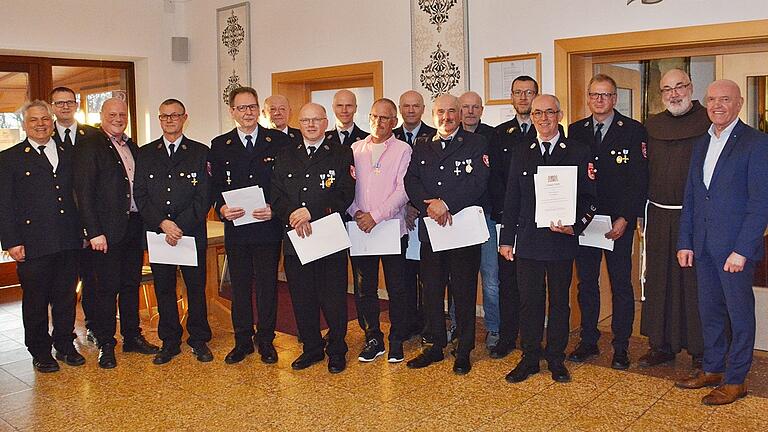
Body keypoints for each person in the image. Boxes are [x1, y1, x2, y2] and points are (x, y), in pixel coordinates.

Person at [675, 79, 768, 405]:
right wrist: (685, 241)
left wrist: (742, 250)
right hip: (702, 247)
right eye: (712, 99)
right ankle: (713, 369)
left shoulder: (757, 143)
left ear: (739, 103)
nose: (717, 105)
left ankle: (736, 379)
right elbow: (693, 197)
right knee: (710, 312)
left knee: (739, 315)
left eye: (725, 99)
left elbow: (761, 204)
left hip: (734, 251)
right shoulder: (701, 143)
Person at [500, 94, 596, 384]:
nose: (543, 118)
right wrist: (506, 239)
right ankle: (529, 357)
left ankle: (556, 358)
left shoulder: (578, 151)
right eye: (537, 113)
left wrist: (575, 226)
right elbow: (512, 198)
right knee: (529, 302)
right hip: (528, 241)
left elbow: (591, 198)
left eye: (549, 112)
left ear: (560, 115)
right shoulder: (521, 151)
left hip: (560, 241)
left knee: (559, 303)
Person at [404, 94, 490, 375]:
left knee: (463, 292)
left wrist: (447, 203)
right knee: (431, 290)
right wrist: (429, 205)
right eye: (441, 112)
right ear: (433, 114)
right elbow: (411, 180)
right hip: (433, 231)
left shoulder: (476, 143)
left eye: (452, 111)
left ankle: (464, 349)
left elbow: (479, 181)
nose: (447, 117)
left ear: (460, 114)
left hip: (462, 231)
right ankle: (435, 345)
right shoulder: (422, 145)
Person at [566, 74, 648, 370]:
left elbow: (639, 180)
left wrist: (626, 217)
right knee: (586, 283)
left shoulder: (633, 130)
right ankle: (588, 339)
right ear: (588, 98)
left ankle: (621, 346)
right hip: (585, 222)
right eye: (594, 95)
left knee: (620, 285)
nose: (599, 100)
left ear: (615, 99)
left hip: (617, 223)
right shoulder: (575, 130)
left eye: (605, 95)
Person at [74, 98, 160, 368]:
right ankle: (106, 342)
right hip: (106, 233)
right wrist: (94, 231)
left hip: (133, 227)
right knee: (106, 289)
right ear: (102, 116)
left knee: (130, 285)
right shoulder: (91, 145)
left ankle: (132, 336)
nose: (118, 118)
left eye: (122, 114)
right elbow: (83, 192)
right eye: (112, 114)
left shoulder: (131, 145)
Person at [271, 102, 355, 374]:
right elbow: (276, 195)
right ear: (299, 122)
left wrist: (312, 211)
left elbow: (345, 193)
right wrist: (293, 213)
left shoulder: (342, 154)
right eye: (305, 120)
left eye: (316, 120)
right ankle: (311, 347)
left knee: (333, 297)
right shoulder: (285, 155)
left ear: (325, 122)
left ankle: (337, 349)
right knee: (302, 296)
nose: (310, 125)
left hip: (328, 235)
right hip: (297, 236)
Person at [0, 100, 84, 372]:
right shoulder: (9, 158)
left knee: (65, 296)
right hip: (33, 241)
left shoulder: (68, 152)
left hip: (68, 239)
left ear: (52, 121)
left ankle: (64, 343)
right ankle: (40, 350)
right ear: (24, 124)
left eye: (45, 119)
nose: (40, 124)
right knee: (36, 300)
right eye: (34, 120)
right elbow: (5, 203)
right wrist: (11, 241)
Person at [208, 87, 289, 365]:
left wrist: (276, 209)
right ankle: (242, 340)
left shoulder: (277, 141)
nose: (248, 112)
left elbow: (286, 183)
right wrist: (221, 207)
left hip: (267, 227)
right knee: (239, 286)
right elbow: (214, 185)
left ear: (259, 109)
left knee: (267, 286)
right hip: (237, 228)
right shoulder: (220, 145)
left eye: (252, 107)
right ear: (232, 112)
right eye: (241, 108)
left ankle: (266, 340)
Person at [134, 99, 213, 364]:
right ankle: (169, 340)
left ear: (184, 117)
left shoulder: (200, 152)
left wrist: (180, 225)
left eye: (175, 115)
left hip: (189, 233)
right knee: (165, 288)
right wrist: (163, 224)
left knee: (196, 287)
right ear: (159, 119)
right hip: (159, 234)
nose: (170, 120)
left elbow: (204, 196)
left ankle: (199, 339)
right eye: (165, 116)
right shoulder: (145, 153)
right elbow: (141, 195)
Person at [640, 69, 709, 369]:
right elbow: (642, 172)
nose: (674, 93)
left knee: (695, 283)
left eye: (680, 86)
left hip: (696, 217)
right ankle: (661, 344)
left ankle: (701, 349)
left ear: (691, 88)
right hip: (658, 214)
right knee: (660, 280)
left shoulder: (709, 121)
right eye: (667, 89)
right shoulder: (652, 125)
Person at [348, 98, 412, 363]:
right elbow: (345, 186)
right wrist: (356, 213)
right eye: (375, 116)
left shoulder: (403, 149)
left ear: (394, 122)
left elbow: (403, 190)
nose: (379, 122)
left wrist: (375, 216)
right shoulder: (355, 148)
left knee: (398, 288)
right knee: (365, 289)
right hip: (360, 228)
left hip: (391, 229)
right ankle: (373, 337)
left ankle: (397, 338)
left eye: (385, 118)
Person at [488, 75, 539, 359]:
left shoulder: (550, 131)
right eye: (518, 92)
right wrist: (505, 214)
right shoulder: (499, 134)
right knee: (507, 282)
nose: (523, 98)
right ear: (511, 96)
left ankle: (533, 339)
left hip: (537, 223)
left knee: (534, 284)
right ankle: (507, 336)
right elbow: (494, 179)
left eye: (528, 92)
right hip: (508, 221)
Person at [49, 86, 102, 344]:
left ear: (77, 104)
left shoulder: (93, 135)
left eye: (69, 102)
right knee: (65, 284)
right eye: (59, 103)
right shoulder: (45, 137)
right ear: (53, 107)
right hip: (62, 223)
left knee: (92, 279)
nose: (65, 107)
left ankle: (93, 325)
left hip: (92, 219)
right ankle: (64, 334)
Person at [393, 90, 437, 341]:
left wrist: (417, 205)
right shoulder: (391, 135)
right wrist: (406, 206)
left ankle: (430, 324)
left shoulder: (433, 135)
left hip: (427, 215)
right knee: (405, 274)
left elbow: (432, 180)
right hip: (399, 218)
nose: (410, 110)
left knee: (429, 276)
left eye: (415, 106)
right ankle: (409, 321)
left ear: (423, 109)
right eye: (406, 106)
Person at [459, 90, 500, 350]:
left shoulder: (493, 137)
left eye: (475, 107)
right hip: (456, 218)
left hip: (484, 215)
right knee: (459, 276)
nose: (470, 111)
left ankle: (494, 328)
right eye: (465, 107)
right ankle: (457, 326)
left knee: (491, 276)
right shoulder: (448, 137)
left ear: (482, 110)